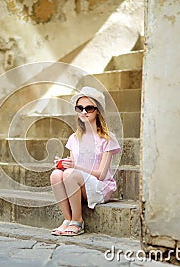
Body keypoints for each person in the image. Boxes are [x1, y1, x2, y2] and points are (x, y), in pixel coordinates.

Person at [50, 86, 121, 236]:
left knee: (70, 173)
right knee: (56, 175)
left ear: (98, 111)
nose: (83, 112)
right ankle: (68, 219)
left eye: (89, 108)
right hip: (79, 184)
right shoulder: (74, 138)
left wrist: (75, 167)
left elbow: (101, 175)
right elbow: (72, 169)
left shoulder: (107, 138)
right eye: (80, 108)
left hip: (100, 186)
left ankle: (78, 220)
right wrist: (64, 164)